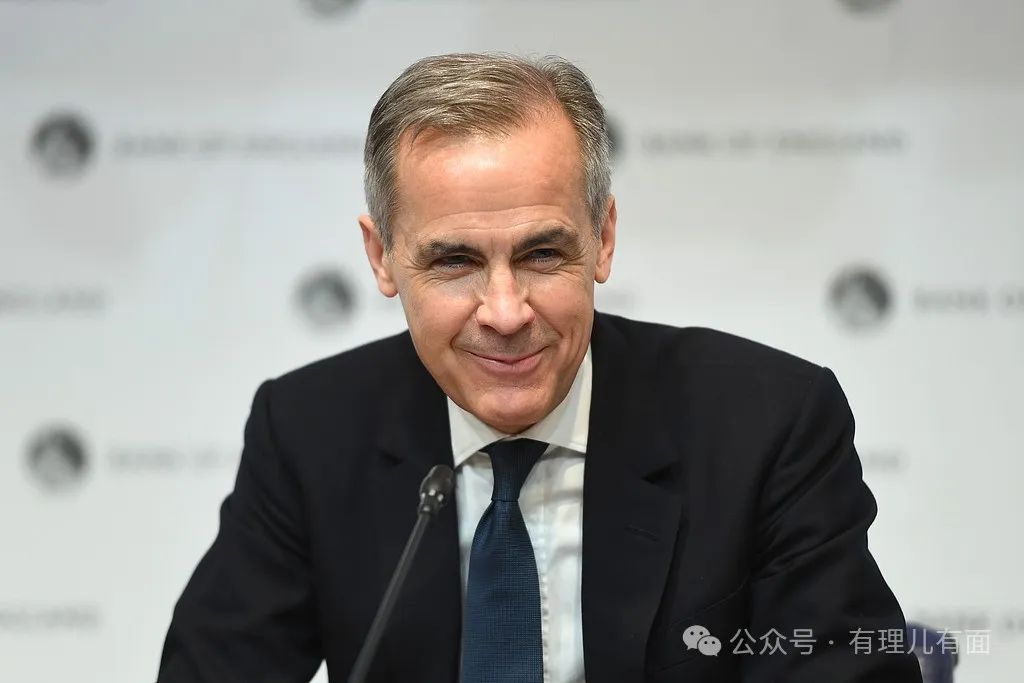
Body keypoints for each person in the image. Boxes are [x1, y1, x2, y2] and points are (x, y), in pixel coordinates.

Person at [157, 53, 922, 683]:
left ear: (604, 238)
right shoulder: (310, 433)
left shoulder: (766, 424)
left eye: (543, 253)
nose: (505, 311)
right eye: (454, 261)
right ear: (382, 257)